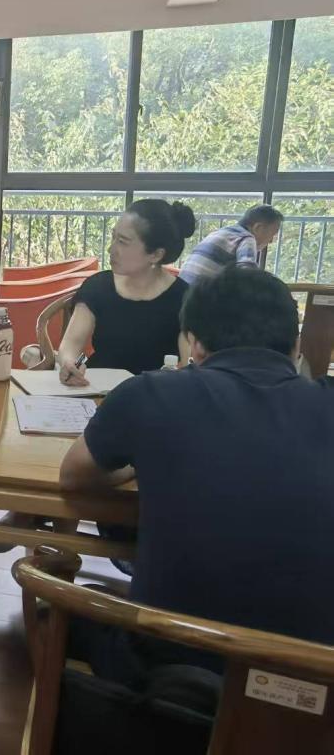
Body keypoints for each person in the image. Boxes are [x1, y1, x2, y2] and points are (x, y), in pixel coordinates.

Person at [59, 267, 334, 686]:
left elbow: (74, 475)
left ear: (195, 343)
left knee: (52, 614)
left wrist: (142, 461)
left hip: (174, 670)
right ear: (295, 345)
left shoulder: (151, 393)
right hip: (313, 684)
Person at [57, 199, 197, 383]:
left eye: (123, 242)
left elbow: (189, 366)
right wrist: (69, 364)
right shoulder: (98, 286)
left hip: (153, 393)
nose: (111, 249)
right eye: (113, 237)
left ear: (156, 254)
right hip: (95, 390)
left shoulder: (184, 298)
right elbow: (71, 345)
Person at [178, 204, 283, 287]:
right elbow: (248, 276)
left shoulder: (222, 232)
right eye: (273, 234)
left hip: (183, 290)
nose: (271, 241)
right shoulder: (246, 238)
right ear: (258, 227)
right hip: (199, 298)